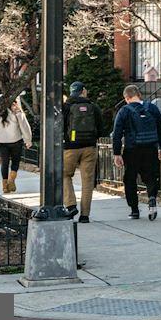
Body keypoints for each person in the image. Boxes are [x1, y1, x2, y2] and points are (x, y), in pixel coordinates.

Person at [110, 84, 161, 220]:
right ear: (139, 95)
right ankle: (152, 197)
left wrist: (117, 153)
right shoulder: (152, 108)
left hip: (132, 149)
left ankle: (134, 210)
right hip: (151, 148)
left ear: (127, 98)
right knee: (151, 176)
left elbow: (117, 133)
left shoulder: (124, 111)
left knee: (130, 179)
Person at [62, 81, 102, 222]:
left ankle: (71, 204)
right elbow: (101, 128)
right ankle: (85, 215)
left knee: (65, 175)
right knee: (87, 181)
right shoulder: (93, 107)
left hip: (70, 147)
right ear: (83, 91)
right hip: (89, 148)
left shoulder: (66, 107)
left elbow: (60, 126)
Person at [0, 95, 32, 195]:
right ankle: (11, 180)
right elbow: (24, 126)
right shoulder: (16, 111)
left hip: (1, 141)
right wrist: (28, 140)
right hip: (15, 141)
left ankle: (5, 186)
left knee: (4, 163)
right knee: (15, 162)